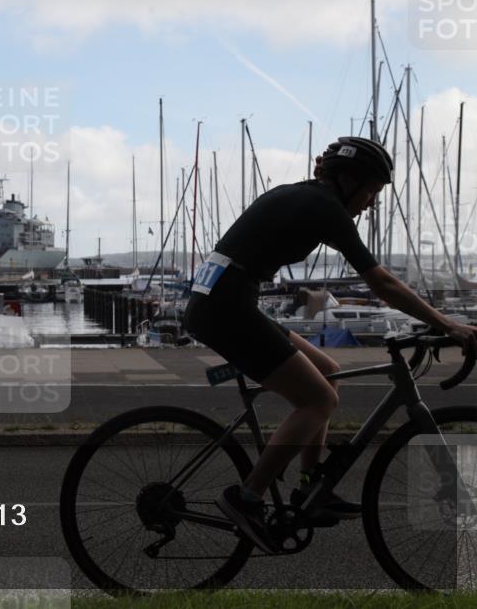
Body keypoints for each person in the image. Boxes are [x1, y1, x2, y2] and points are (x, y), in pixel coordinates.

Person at [183, 136, 477, 553]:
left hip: (226, 301)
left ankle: (309, 488)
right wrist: (446, 323)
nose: (372, 202)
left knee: (329, 372)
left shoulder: (306, 197)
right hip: (226, 309)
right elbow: (381, 281)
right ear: (346, 181)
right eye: (371, 191)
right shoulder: (324, 207)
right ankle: (246, 498)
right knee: (318, 400)